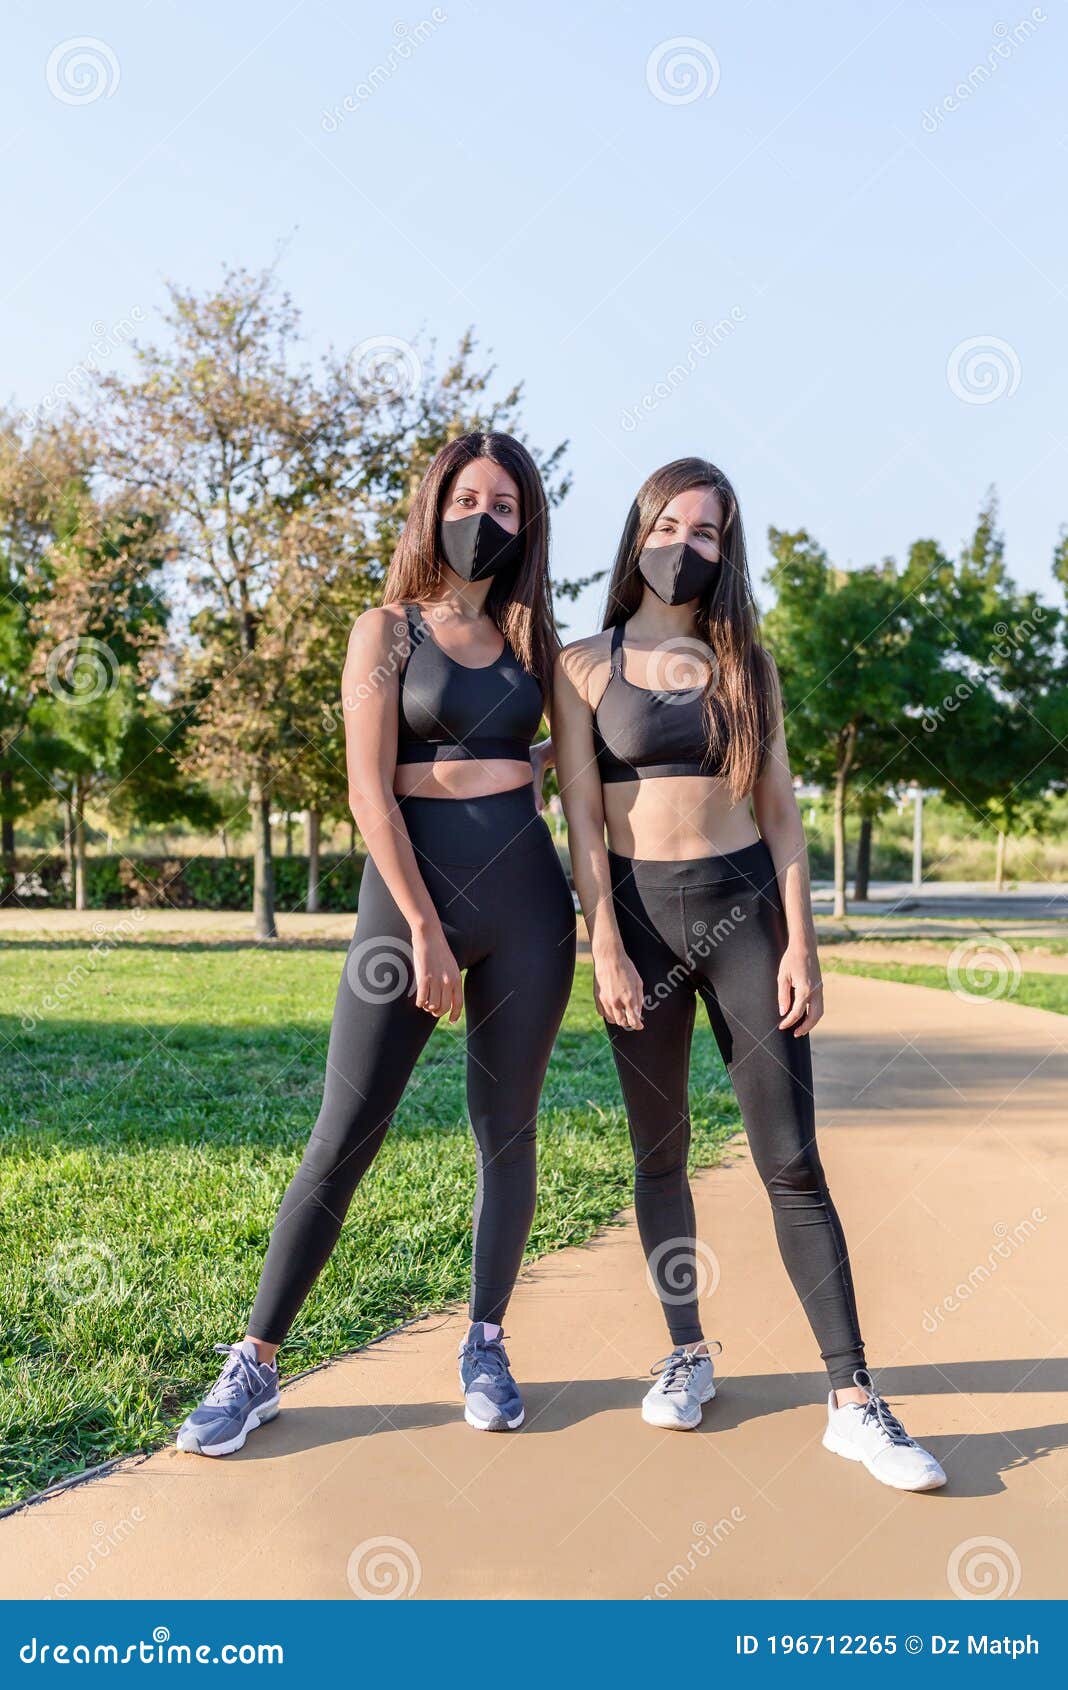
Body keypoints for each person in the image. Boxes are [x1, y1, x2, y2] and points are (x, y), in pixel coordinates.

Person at [177, 432, 576, 1455]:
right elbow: (368, 789)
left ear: (526, 526)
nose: (483, 518)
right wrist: (426, 931)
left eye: (506, 505)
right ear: (433, 504)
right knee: (344, 1131)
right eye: (467, 496)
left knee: (509, 1130)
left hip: (531, 901)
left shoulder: (538, 642)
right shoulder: (384, 630)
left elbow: (564, 756)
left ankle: (485, 1341)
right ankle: (255, 1361)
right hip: (409, 908)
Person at [553, 457, 946, 1492]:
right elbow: (584, 820)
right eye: (671, 523)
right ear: (638, 533)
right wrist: (602, 938)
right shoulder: (583, 663)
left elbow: (779, 813)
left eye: (710, 532)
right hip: (637, 919)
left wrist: (804, 943)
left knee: (791, 1157)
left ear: (728, 552)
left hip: (743, 917)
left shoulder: (746, 663)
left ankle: (854, 1399)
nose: (687, 544)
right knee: (659, 1153)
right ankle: (687, 1354)